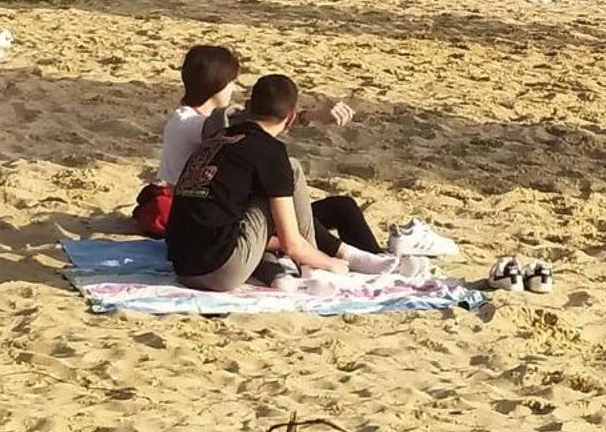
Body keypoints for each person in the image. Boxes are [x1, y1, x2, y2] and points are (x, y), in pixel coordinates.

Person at [166, 74, 418, 291]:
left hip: (181, 266)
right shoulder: (270, 151)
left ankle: (296, 266)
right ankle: (312, 265)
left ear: (250, 107)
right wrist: (329, 262)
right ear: (290, 118)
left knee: (257, 189)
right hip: (219, 271)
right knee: (291, 171)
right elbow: (291, 243)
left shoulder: (218, 138)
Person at [140, 46, 353, 234]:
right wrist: (312, 116)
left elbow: (264, 121)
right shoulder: (184, 122)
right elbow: (242, 122)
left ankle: (375, 259)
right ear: (217, 85)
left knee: (342, 208)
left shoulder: (198, 120)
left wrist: (312, 116)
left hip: (220, 213)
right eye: (231, 82)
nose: (234, 88)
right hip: (204, 220)